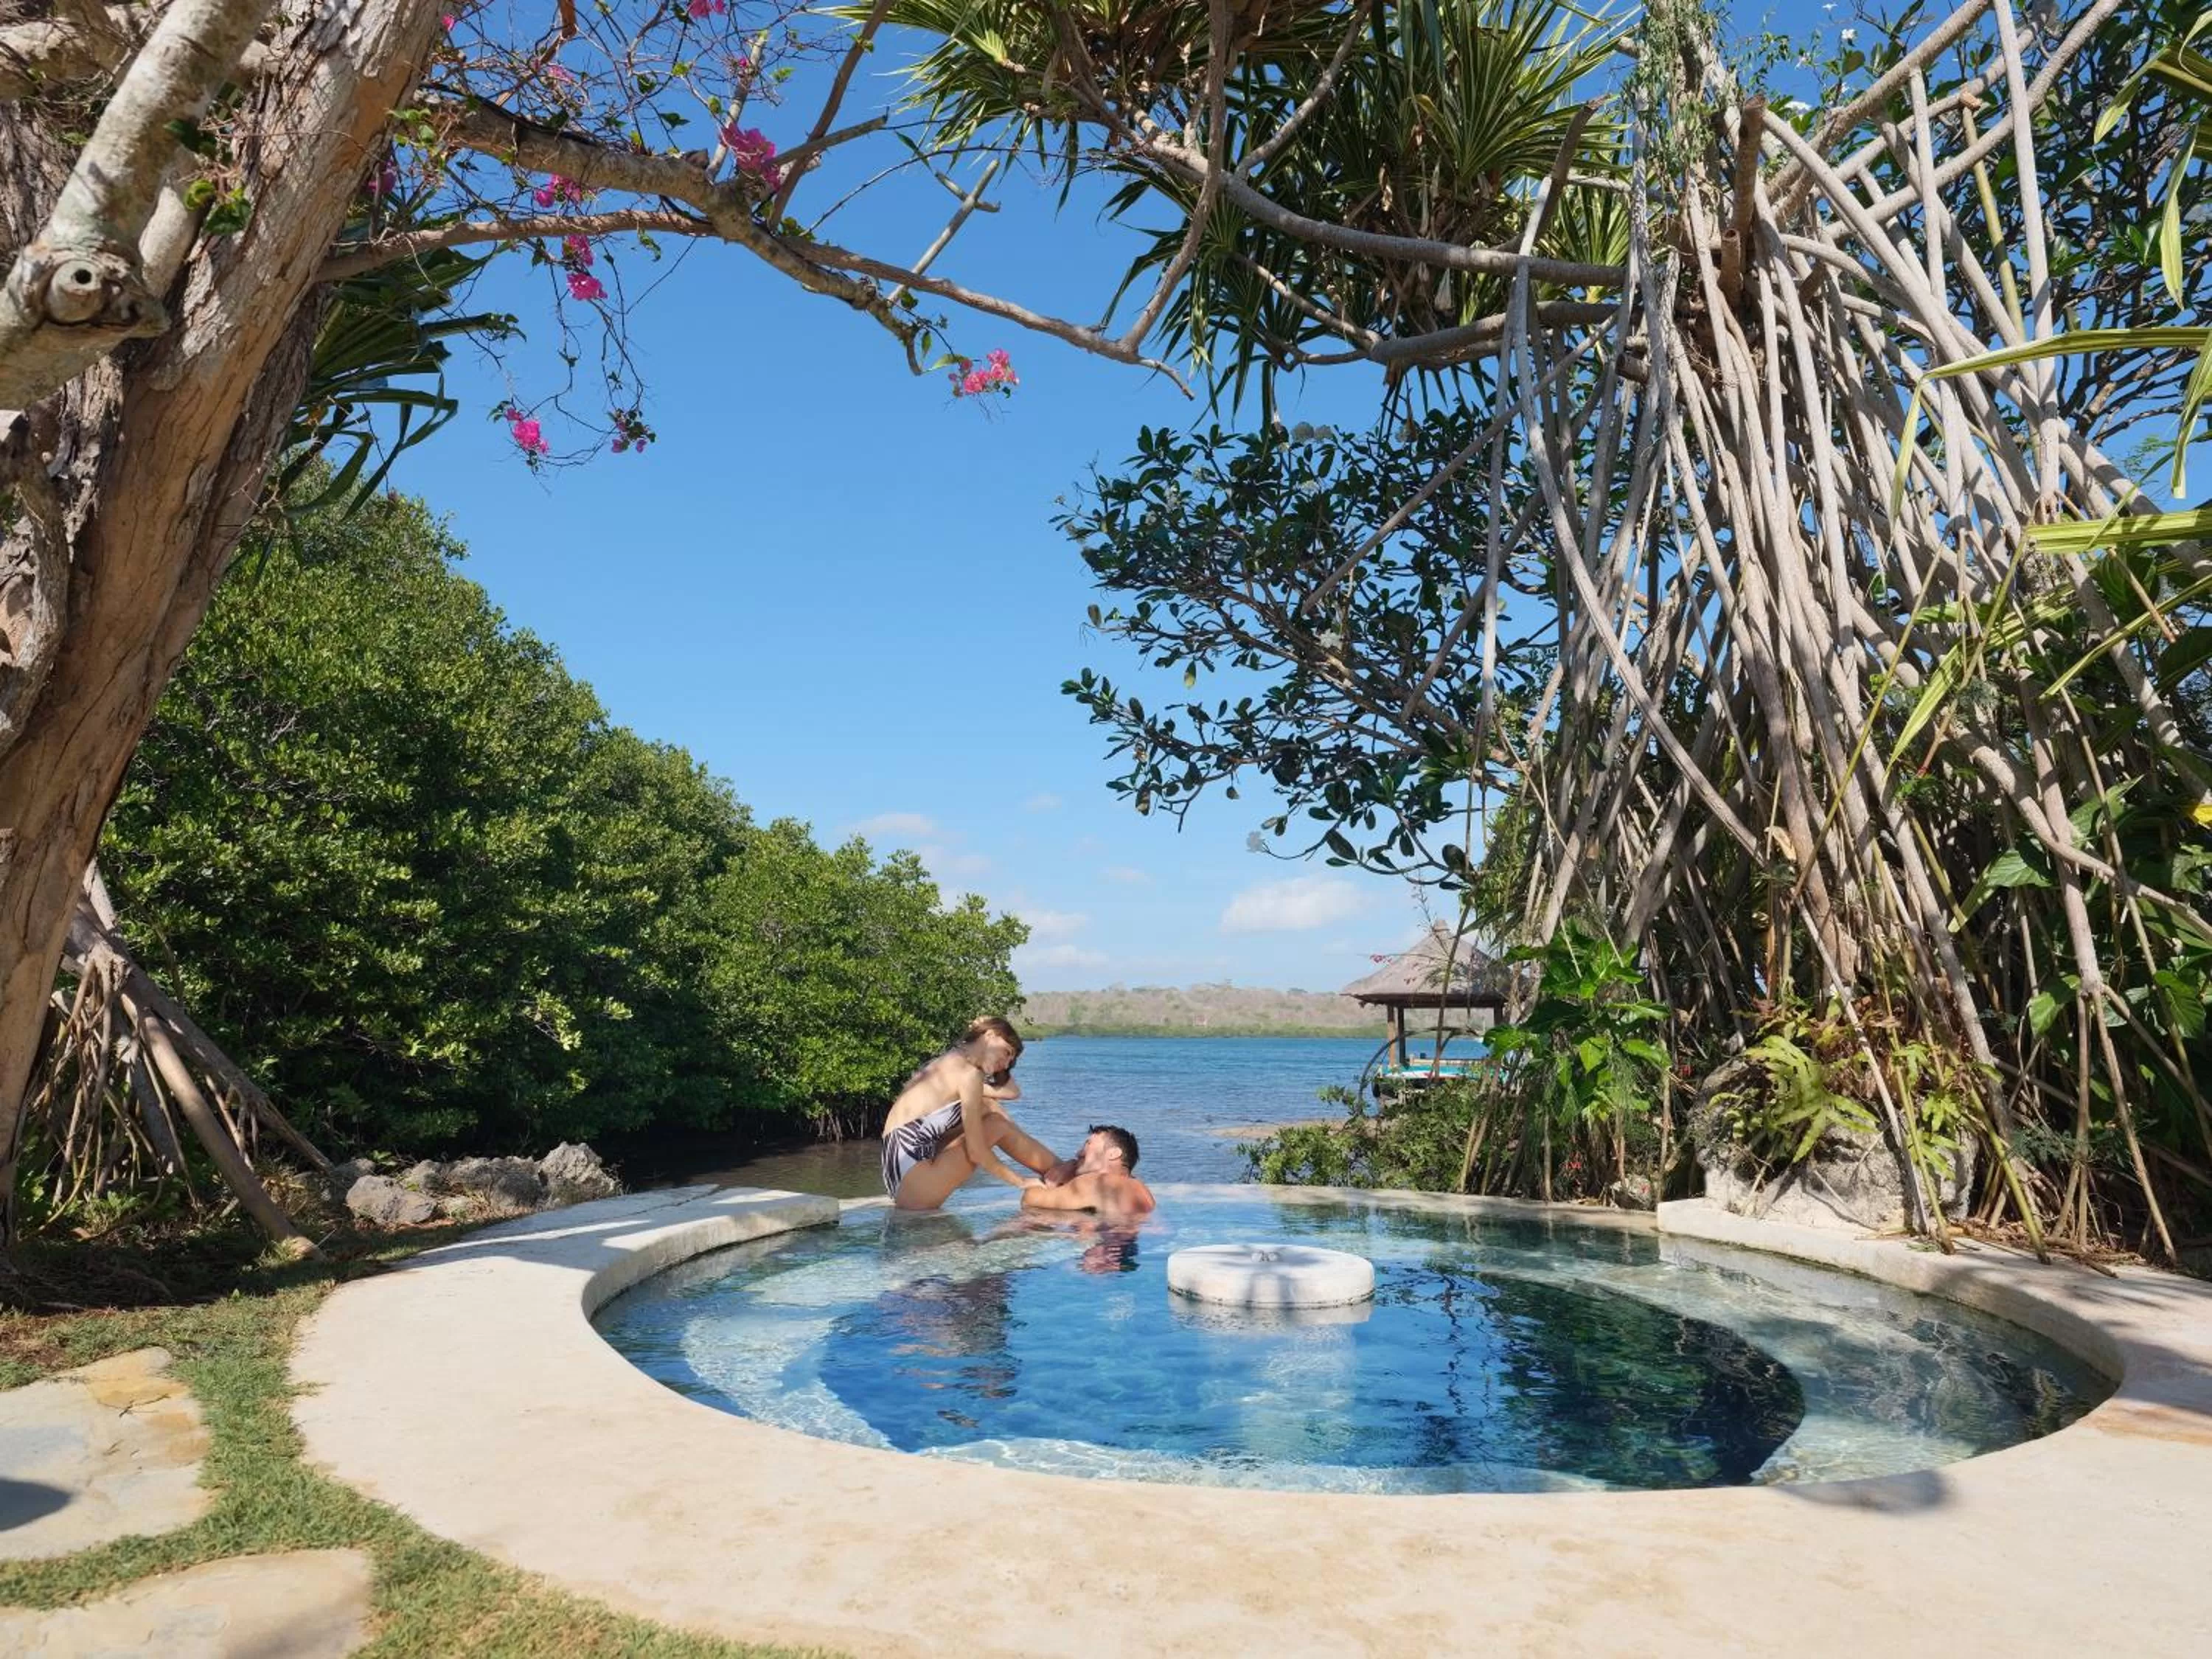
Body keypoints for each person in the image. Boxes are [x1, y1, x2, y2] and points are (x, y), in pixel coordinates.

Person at [881, 1016, 1063, 1211]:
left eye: (1011, 1061)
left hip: (902, 1181)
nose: (1006, 1063)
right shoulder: (969, 1075)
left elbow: (1012, 1092)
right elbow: (977, 1152)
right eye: (1007, 1052)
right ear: (990, 1035)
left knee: (988, 1106)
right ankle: (1062, 1172)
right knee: (997, 1124)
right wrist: (1021, 1182)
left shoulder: (950, 1061)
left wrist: (1001, 1063)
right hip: (917, 1186)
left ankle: (1057, 1169)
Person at [1020, 1124, 1155, 1219]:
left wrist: (1053, 1178)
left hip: (1099, 1255)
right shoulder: (1142, 1190)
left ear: (1113, 1153)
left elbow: (1029, 1199)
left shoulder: (1096, 1183)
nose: (1078, 1153)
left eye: (1087, 1145)